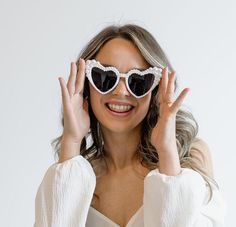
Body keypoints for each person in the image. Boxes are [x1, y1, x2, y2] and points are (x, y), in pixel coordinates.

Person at [34, 24, 226, 227]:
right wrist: (71, 141)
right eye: (105, 77)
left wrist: (167, 153)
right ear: (87, 85)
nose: (121, 91)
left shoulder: (191, 156)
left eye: (139, 81)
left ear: (156, 89)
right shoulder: (74, 175)